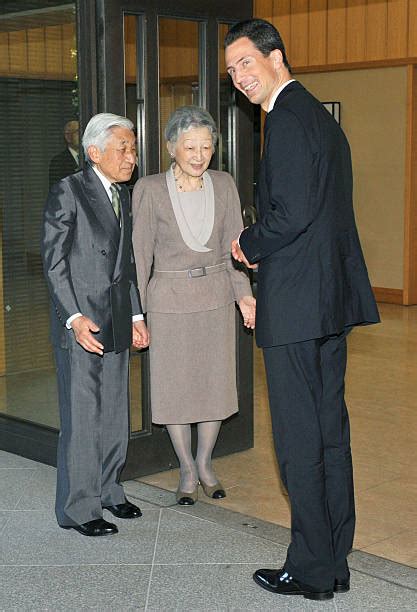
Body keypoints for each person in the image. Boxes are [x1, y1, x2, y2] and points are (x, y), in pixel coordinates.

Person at [225, 19, 380, 601]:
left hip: (294, 308)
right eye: (233, 69)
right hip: (328, 304)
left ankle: (311, 569)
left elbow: (289, 216)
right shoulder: (319, 118)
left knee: (298, 442)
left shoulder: (286, 121)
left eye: (246, 62)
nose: (240, 77)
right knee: (329, 436)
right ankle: (334, 560)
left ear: (276, 57)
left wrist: (247, 244)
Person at [132, 106, 255, 506]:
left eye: (206, 146)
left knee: (213, 387)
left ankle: (205, 463)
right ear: (172, 148)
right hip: (168, 304)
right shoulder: (149, 189)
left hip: (216, 299)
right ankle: (185, 467)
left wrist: (244, 294)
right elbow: (139, 256)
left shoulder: (224, 184)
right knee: (176, 390)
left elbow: (234, 248)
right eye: (190, 146)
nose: (199, 155)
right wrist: (138, 312)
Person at [41, 113, 149, 537]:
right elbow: (53, 262)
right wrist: (73, 317)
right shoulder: (68, 193)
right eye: (123, 149)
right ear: (94, 152)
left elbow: (128, 264)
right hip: (82, 324)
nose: (131, 157)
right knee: (83, 416)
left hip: (118, 318)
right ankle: (78, 507)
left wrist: (137, 315)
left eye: (133, 149)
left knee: (115, 412)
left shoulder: (122, 194)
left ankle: (109, 490)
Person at [49, 120, 80, 187]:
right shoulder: (58, 162)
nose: (82, 135)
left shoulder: (90, 158)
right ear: (68, 137)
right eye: (78, 132)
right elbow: (57, 191)